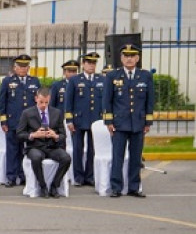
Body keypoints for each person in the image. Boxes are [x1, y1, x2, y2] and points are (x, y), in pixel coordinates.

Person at [103, 44, 154, 198]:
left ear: (137, 58)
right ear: (121, 58)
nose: (129, 59)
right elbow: (107, 101)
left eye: (132, 56)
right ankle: (116, 188)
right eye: (126, 56)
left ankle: (134, 187)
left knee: (136, 157)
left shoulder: (145, 76)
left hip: (138, 124)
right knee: (117, 156)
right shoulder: (113, 76)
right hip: (119, 123)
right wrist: (109, 122)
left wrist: (148, 122)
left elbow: (149, 101)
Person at [16, 88, 71, 198]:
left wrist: (55, 136)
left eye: (46, 102)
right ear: (36, 99)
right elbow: (19, 134)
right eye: (41, 102)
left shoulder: (57, 113)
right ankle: (42, 186)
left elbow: (63, 135)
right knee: (36, 158)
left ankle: (55, 186)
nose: (43, 105)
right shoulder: (27, 113)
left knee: (66, 158)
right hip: (35, 146)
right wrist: (33, 135)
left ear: (49, 99)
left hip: (52, 146)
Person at [0, 54, 41, 187]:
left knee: (27, 149)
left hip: (30, 123)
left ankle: (23, 176)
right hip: (13, 121)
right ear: (15, 67)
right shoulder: (7, 81)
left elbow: (38, 102)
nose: (23, 69)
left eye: (25, 66)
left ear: (28, 67)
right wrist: (3, 121)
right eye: (20, 66)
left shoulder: (35, 81)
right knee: (12, 150)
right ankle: (11, 176)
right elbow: (2, 102)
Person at [64, 52, 106, 187]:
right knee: (78, 149)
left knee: (93, 149)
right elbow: (68, 102)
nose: (91, 65)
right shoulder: (75, 80)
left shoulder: (102, 80)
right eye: (88, 63)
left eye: (93, 63)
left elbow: (105, 101)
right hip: (79, 120)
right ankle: (78, 176)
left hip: (95, 120)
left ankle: (90, 176)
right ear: (83, 64)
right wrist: (69, 120)